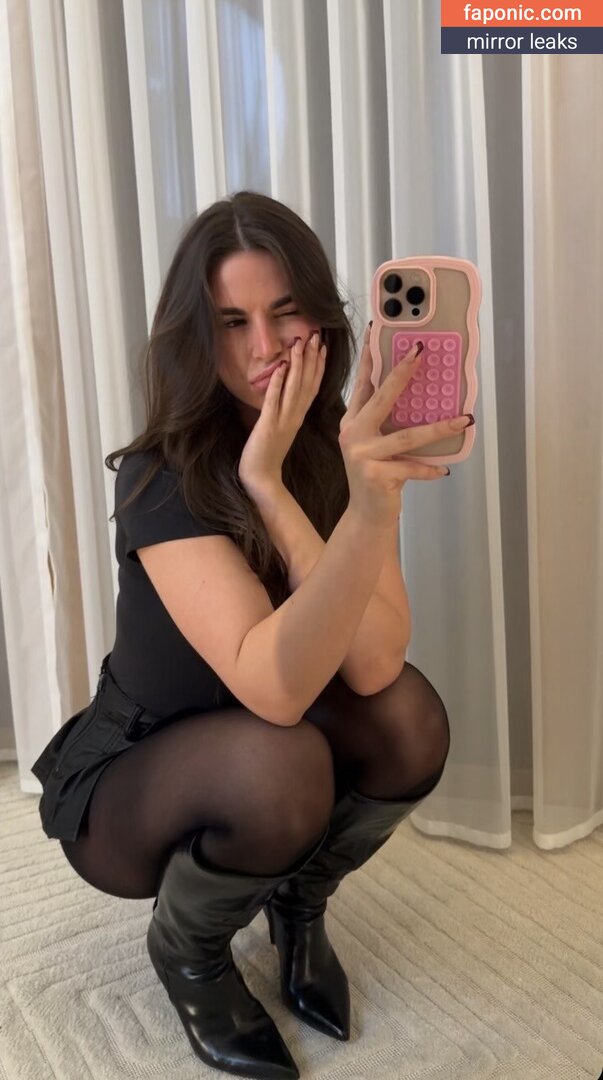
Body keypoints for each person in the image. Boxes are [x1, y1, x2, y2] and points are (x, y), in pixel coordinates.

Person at [31, 191, 464, 1080]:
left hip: (264, 734)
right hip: (139, 783)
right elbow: (273, 690)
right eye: (232, 322)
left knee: (409, 717)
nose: (263, 348)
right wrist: (257, 483)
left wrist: (315, 493)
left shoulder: (335, 446)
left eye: (284, 312)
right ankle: (188, 952)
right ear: (197, 334)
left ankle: (298, 904)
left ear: (321, 317)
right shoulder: (160, 474)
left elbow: (373, 664)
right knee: (282, 760)